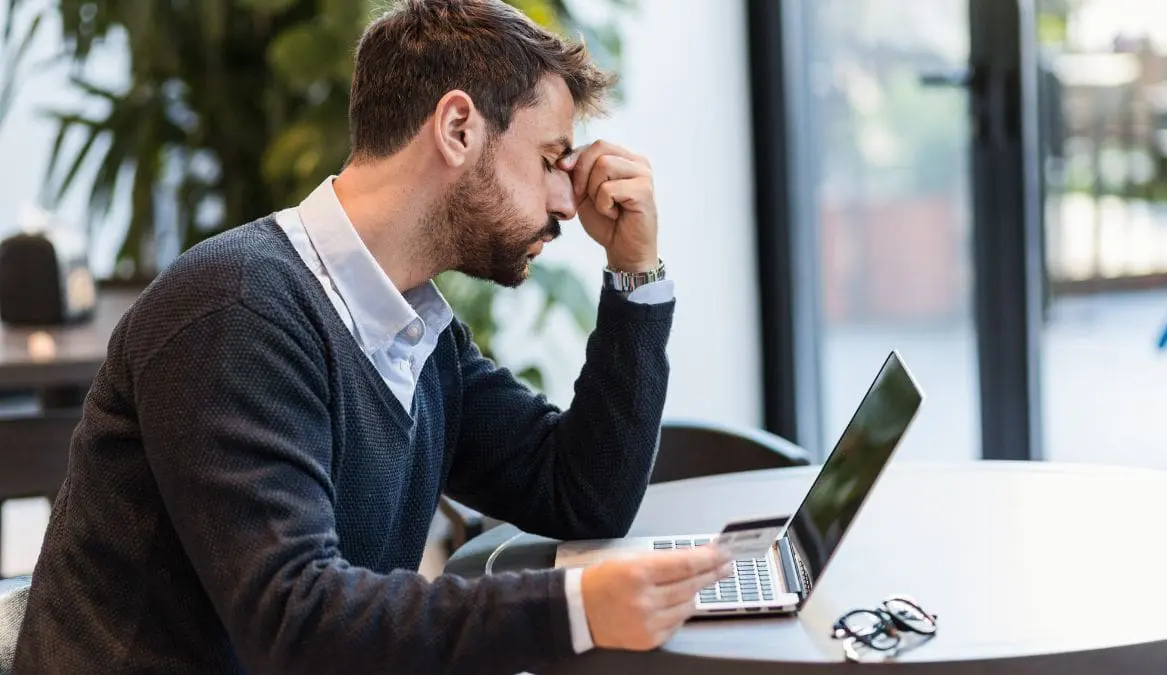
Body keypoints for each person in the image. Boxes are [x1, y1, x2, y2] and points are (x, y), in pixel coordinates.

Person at [13, 0, 732, 673]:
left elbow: (581, 495)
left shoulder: (412, 330)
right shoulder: (236, 309)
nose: (564, 204)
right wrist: (579, 606)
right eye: (550, 160)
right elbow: (296, 618)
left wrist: (634, 274)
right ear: (457, 129)